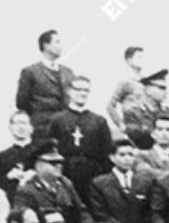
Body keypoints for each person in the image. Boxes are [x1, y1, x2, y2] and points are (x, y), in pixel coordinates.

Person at [42, 75, 116, 204]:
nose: (82, 93)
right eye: (78, 89)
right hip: (66, 171)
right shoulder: (57, 120)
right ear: (69, 91)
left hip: (92, 173)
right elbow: (48, 148)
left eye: (86, 90)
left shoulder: (99, 121)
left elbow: (107, 153)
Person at [15, 29, 76, 133]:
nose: (61, 46)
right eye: (57, 42)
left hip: (66, 127)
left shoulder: (68, 72)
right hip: (41, 128)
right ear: (46, 45)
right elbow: (21, 103)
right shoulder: (30, 71)